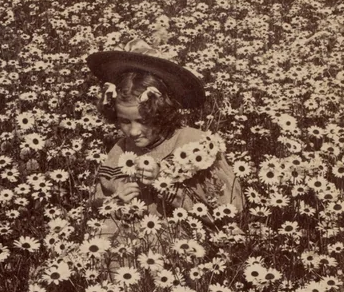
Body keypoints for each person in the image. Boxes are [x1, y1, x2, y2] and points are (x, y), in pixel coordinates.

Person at [86, 39, 244, 225]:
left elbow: (229, 206)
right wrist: (116, 199)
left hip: (184, 231)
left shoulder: (195, 144)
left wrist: (164, 182)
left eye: (144, 121)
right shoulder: (121, 150)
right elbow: (98, 200)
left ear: (163, 113)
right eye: (124, 121)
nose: (134, 131)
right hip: (131, 233)